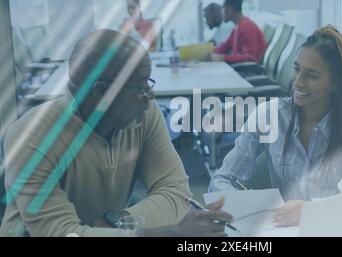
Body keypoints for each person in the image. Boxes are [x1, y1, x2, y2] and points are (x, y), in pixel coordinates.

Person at [0, 29, 232, 237]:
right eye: (139, 87)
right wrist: (170, 232)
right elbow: (62, 234)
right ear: (100, 91)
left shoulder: (144, 114)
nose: (150, 95)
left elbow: (176, 193)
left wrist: (116, 222)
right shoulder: (31, 136)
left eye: (148, 83)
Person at [209, 25, 342, 227]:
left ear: (340, 81)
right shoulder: (269, 116)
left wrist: (314, 210)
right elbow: (221, 179)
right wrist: (244, 206)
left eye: (312, 76)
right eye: (296, 69)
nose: (298, 82)